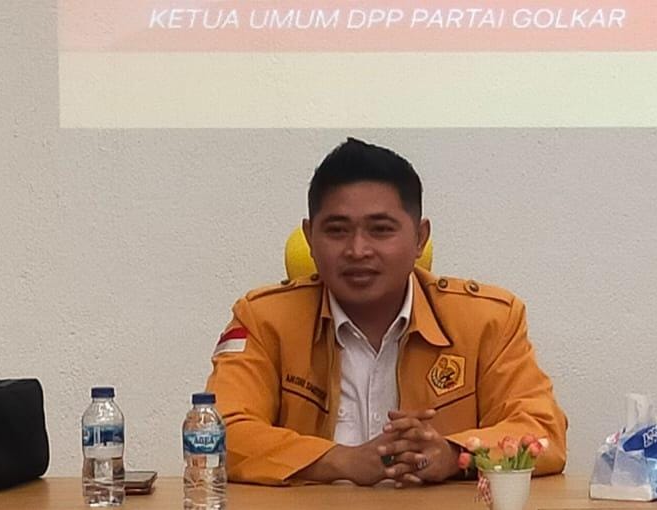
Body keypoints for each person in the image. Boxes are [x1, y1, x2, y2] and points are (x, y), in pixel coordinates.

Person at [206, 138, 567, 487]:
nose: (358, 250)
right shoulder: (264, 320)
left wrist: (453, 455)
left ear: (420, 238)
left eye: (380, 230)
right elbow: (217, 433)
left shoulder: (488, 321)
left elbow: (543, 431)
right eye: (337, 231)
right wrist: (341, 461)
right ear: (310, 237)